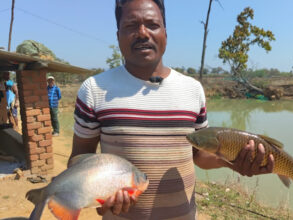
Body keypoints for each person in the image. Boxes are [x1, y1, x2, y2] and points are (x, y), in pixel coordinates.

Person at [68, 0, 275, 219]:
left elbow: (199, 154)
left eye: (152, 24)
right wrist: (99, 195)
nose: (142, 33)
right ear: (118, 35)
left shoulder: (192, 89)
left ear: (165, 33)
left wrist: (234, 163)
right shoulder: (94, 90)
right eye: (131, 26)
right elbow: (81, 157)